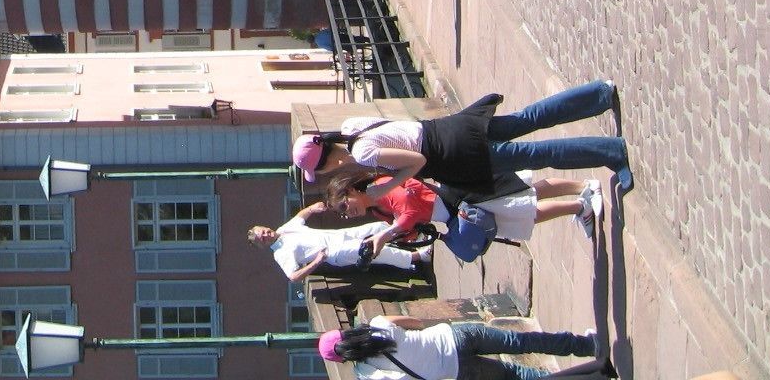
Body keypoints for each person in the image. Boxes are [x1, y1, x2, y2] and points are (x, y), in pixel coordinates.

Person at [293, 81, 636, 195]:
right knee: (527, 118)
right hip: (452, 128)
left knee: (536, 154)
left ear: (328, 163)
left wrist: (387, 186)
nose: (327, 176)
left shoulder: (364, 153)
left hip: (455, 152)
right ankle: (599, 94)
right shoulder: (353, 125)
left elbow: (417, 161)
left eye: (321, 172)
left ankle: (611, 151)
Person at [325, 170, 603, 250]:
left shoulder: (381, 186)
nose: (347, 213)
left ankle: (583, 188)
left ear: (352, 190)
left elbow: (411, 209)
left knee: (527, 195)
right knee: (525, 213)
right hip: (460, 213)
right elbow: (412, 225)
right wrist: (401, 236)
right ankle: (579, 206)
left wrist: (388, 234)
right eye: (343, 213)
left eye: (344, 205)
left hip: (461, 199)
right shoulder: (378, 211)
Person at [317, 317, 599, 380]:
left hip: (456, 370)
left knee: (517, 374)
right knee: (520, 341)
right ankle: (587, 345)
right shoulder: (377, 326)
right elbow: (413, 322)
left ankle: (589, 377)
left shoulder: (367, 374)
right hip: (454, 337)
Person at [247, 204, 426, 283]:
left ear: (264, 226)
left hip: (337, 236)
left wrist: (312, 209)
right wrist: (317, 261)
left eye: (262, 231)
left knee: (377, 226)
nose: (265, 235)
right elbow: (293, 277)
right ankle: (418, 256)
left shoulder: (284, 229)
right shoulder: (280, 253)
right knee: (370, 250)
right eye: (262, 238)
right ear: (263, 245)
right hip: (334, 252)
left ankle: (410, 235)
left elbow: (300, 217)